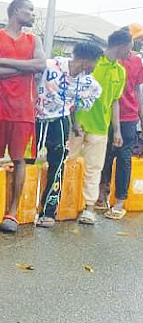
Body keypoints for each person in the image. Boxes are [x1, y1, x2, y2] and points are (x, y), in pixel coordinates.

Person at [0, 0, 47, 233]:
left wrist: (5, 62)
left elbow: (40, 64)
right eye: (30, 9)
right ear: (16, 11)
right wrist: (22, 66)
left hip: (23, 110)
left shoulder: (33, 40)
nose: (32, 14)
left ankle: (13, 212)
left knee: (20, 159)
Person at [34, 43, 102, 228]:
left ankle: (48, 212)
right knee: (28, 162)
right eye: (94, 63)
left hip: (60, 123)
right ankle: (24, 208)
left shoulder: (87, 82)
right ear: (86, 61)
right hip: (35, 120)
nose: (94, 67)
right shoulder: (49, 67)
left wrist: (75, 123)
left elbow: (73, 102)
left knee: (57, 167)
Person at [69, 29, 129, 225]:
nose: (131, 51)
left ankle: (88, 208)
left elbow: (115, 101)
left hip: (101, 128)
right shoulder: (94, 62)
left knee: (94, 168)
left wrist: (117, 130)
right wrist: (73, 120)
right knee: (68, 163)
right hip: (78, 123)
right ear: (121, 45)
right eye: (130, 47)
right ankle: (63, 204)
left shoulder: (120, 71)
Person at [96, 24, 143, 220]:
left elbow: (137, 91)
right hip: (104, 116)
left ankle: (121, 200)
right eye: (134, 41)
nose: (135, 45)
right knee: (104, 156)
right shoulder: (105, 60)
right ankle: (101, 195)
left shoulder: (136, 62)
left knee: (124, 158)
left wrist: (141, 117)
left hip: (129, 117)